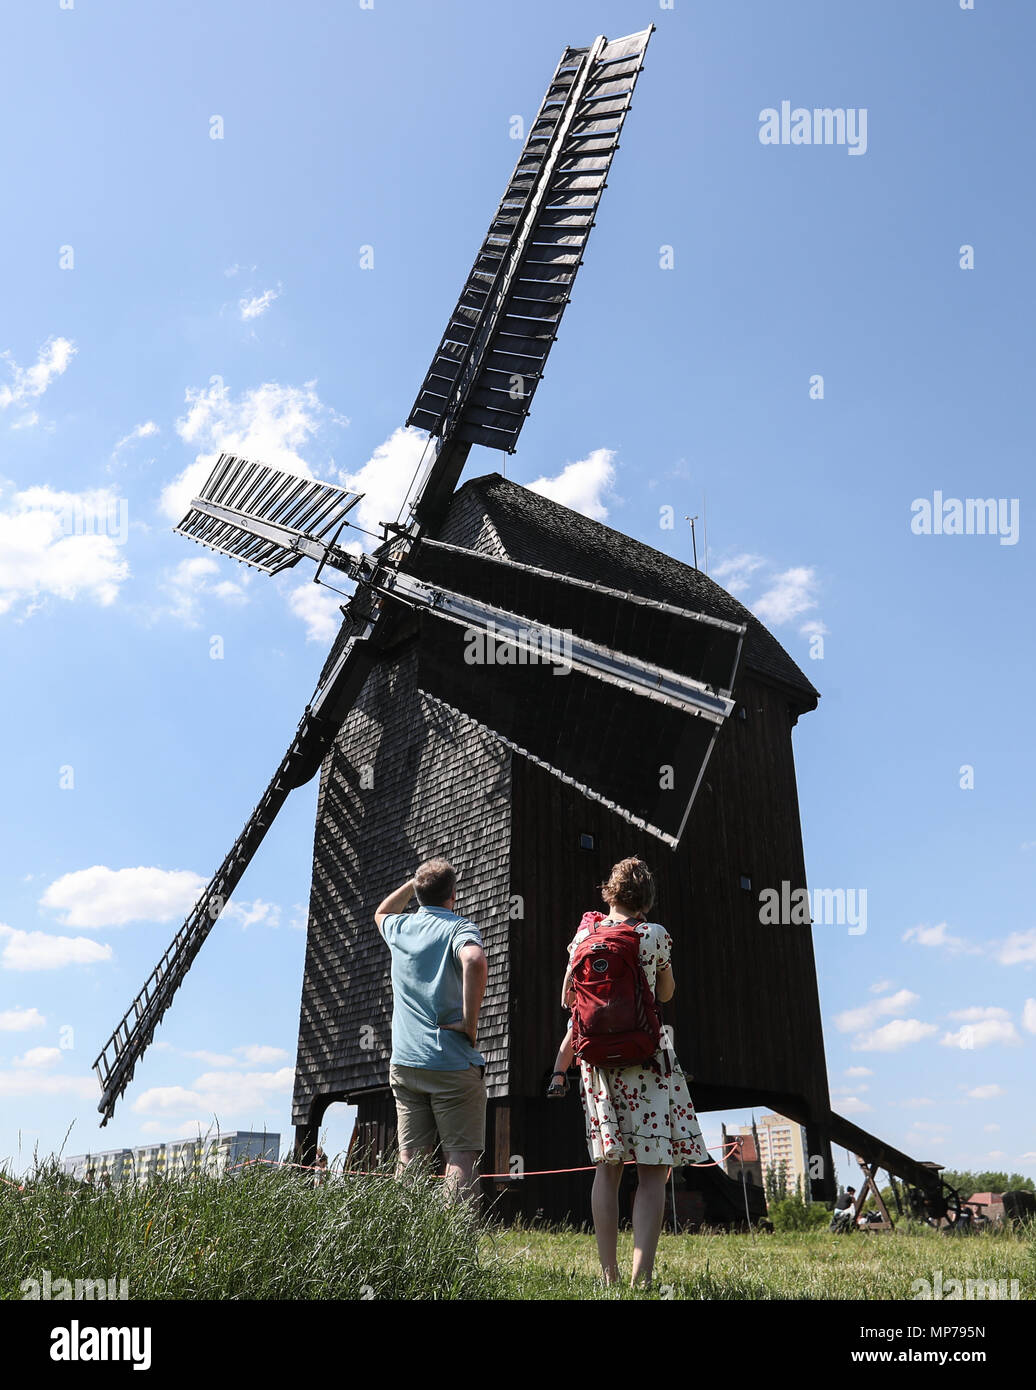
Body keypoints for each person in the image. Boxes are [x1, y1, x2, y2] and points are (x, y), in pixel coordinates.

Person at [548, 856, 709, 1288]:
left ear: (610, 894)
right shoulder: (653, 935)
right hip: (646, 1062)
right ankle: (643, 1278)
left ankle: (608, 1276)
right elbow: (667, 993)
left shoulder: (584, 935)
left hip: (597, 1066)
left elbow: (568, 998)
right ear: (647, 900)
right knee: (653, 1169)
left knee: (608, 1168)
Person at [375, 858, 489, 1202]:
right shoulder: (458, 928)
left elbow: (381, 911)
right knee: (460, 1156)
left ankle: (407, 1245)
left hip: (406, 1063)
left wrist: (414, 883)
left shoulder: (400, 928)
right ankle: (452, 1246)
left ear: (419, 892)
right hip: (451, 1060)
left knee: (410, 1158)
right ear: (453, 894)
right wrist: (470, 1025)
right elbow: (474, 960)